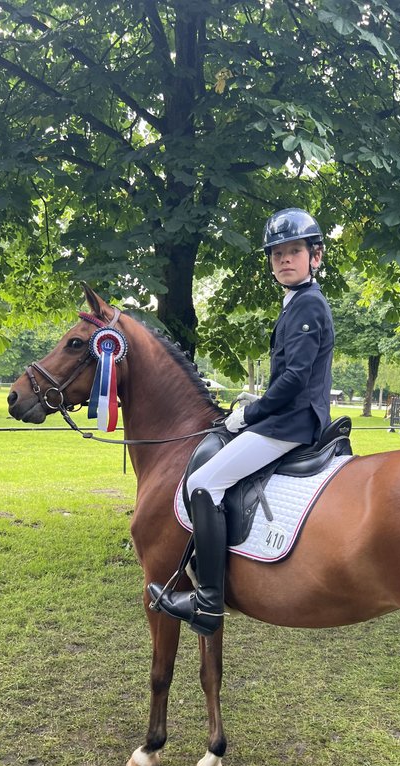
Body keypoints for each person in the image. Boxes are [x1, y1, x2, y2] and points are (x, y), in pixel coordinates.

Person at [149, 208, 335, 636]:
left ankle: (208, 601)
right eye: (277, 254)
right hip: (287, 417)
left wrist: (251, 413)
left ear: (315, 256)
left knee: (203, 483)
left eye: (294, 251)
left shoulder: (308, 304)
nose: (284, 260)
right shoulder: (297, 302)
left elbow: (294, 380)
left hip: (289, 425)